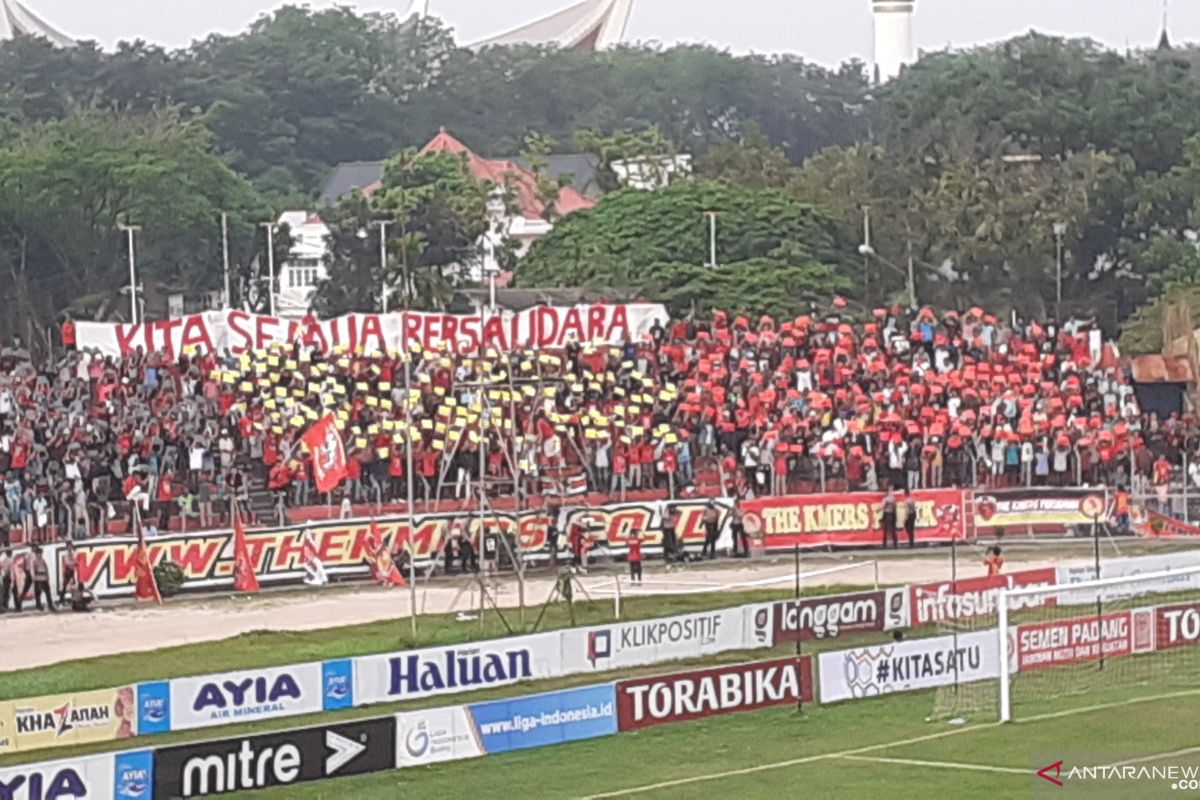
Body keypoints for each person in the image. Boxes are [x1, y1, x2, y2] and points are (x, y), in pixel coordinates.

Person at [28, 544, 54, 612]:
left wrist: (48, 576)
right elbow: (32, 569)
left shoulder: (43, 560)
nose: (41, 554)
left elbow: (46, 568)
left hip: (44, 578)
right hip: (38, 578)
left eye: (41, 553)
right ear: (37, 554)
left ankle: (50, 605)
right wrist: (33, 576)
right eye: (39, 553)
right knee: (38, 593)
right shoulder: (33, 560)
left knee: (48, 593)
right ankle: (38, 605)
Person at [57, 540, 77, 604]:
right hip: (67, 570)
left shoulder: (72, 552)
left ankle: (71, 598)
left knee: (71, 585)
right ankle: (62, 599)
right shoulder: (66, 553)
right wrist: (74, 563)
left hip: (71, 570)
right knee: (66, 585)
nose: (70, 547)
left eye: (71, 546)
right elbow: (67, 563)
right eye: (69, 546)